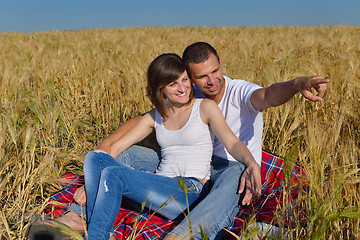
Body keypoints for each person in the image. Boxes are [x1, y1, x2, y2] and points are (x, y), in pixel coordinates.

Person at [42, 42, 329, 239]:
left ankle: (186, 234)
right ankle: (76, 216)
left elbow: (267, 96)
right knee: (115, 157)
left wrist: (296, 85)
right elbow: (146, 120)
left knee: (230, 180)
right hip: (185, 165)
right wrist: (104, 151)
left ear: (221, 66)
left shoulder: (238, 93)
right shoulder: (186, 96)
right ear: (189, 77)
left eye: (216, 71)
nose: (212, 81)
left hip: (230, 166)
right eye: (201, 77)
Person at [82, 53, 260, 240]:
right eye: (173, 84)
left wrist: (251, 163)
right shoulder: (155, 116)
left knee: (113, 174)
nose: (182, 87)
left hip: (189, 192)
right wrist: (92, 181)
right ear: (161, 89)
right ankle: (102, 232)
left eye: (184, 80)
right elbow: (117, 147)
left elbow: (232, 142)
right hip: (160, 187)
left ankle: (97, 236)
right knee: (95, 157)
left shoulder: (204, 107)